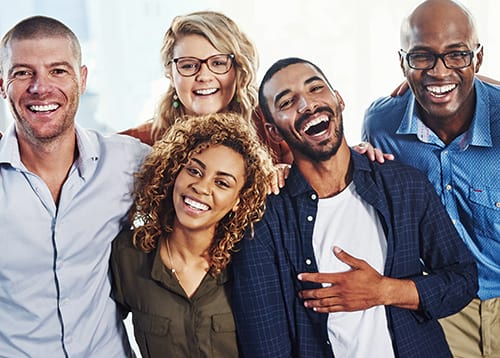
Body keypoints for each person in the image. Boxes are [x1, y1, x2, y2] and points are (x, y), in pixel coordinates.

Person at [231, 57, 478, 358]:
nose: (307, 105)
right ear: (272, 131)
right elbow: (265, 345)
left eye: (316, 88)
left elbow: (464, 280)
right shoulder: (263, 220)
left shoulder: (404, 185)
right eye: (287, 102)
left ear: (339, 99)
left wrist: (384, 291)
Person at [0, 16, 150, 357]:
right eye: (23, 72)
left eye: (58, 71)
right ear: (2, 84)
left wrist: (275, 169)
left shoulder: (129, 163)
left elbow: (209, 180)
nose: (40, 87)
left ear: (82, 79)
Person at [362, 1, 500, 356]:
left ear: (478, 59)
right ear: (403, 62)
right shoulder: (382, 126)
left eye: (456, 55)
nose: (439, 72)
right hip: (440, 304)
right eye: (422, 57)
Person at [111, 112, 274, 357]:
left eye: (222, 183)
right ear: (174, 172)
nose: (201, 187)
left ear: (239, 200)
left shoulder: (249, 262)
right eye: (195, 171)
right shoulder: (129, 254)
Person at [119, 10, 293, 166]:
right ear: (171, 74)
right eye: (188, 65)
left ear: (238, 69)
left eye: (218, 63)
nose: (203, 76)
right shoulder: (137, 144)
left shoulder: (272, 124)